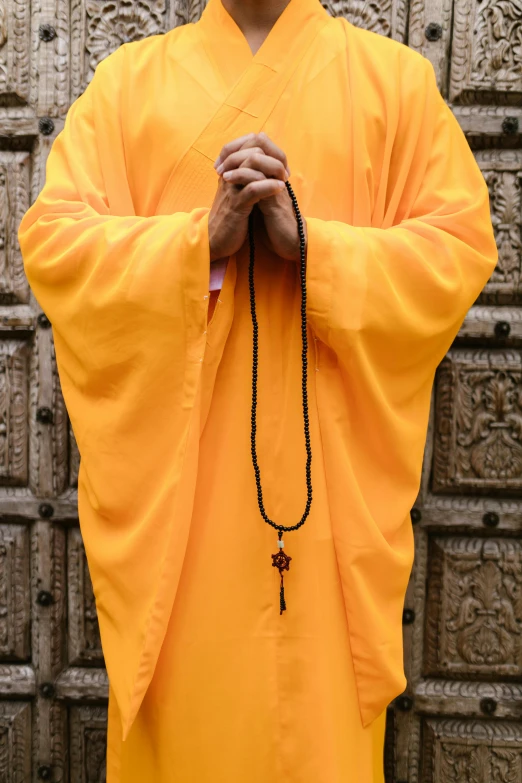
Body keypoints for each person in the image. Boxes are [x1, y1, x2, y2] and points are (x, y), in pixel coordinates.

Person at [18, 0, 498, 780]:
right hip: (179, 527)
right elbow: (54, 239)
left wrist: (313, 247)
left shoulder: (394, 84)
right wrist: (195, 244)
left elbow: (458, 245)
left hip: (328, 527)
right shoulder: (127, 84)